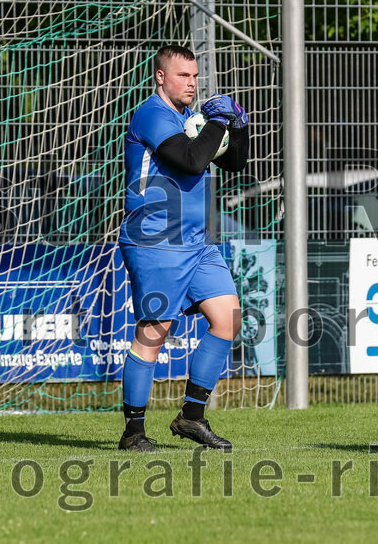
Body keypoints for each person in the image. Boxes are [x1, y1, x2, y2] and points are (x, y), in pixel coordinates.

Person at [117, 45, 249, 452]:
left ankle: (191, 418)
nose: (191, 83)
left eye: (194, 76)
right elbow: (192, 161)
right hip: (156, 241)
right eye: (181, 76)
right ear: (161, 77)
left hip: (198, 241)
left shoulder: (190, 119)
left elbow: (236, 163)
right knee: (154, 333)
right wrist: (216, 121)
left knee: (228, 319)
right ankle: (133, 432)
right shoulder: (152, 114)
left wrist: (238, 126)